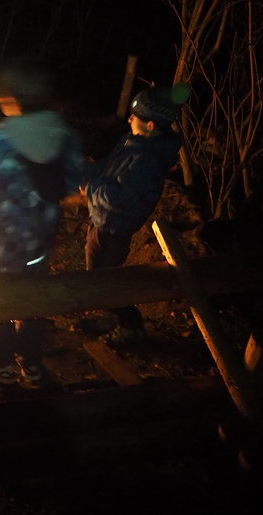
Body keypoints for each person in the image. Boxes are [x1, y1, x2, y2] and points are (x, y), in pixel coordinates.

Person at [0, 64, 85, 384]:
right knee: (33, 299)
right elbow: (71, 182)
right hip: (39, 242)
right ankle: (30, 362)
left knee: (0, 301)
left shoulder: (1, 144)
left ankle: (0, 361)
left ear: (9, 100)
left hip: (1, 246)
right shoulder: (64, 137)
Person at [80, 82, 192, 344]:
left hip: (115, 228)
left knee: (103, 280)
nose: (129, 119)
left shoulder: (146, 161)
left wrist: (91, 187)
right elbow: (107, 167)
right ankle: (112, 314)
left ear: (150, 125)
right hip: (102, 220)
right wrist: (86, 172)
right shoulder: (132, 141)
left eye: (135, 117)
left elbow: (119, 198)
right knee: (97, 275)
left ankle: (131, 325)